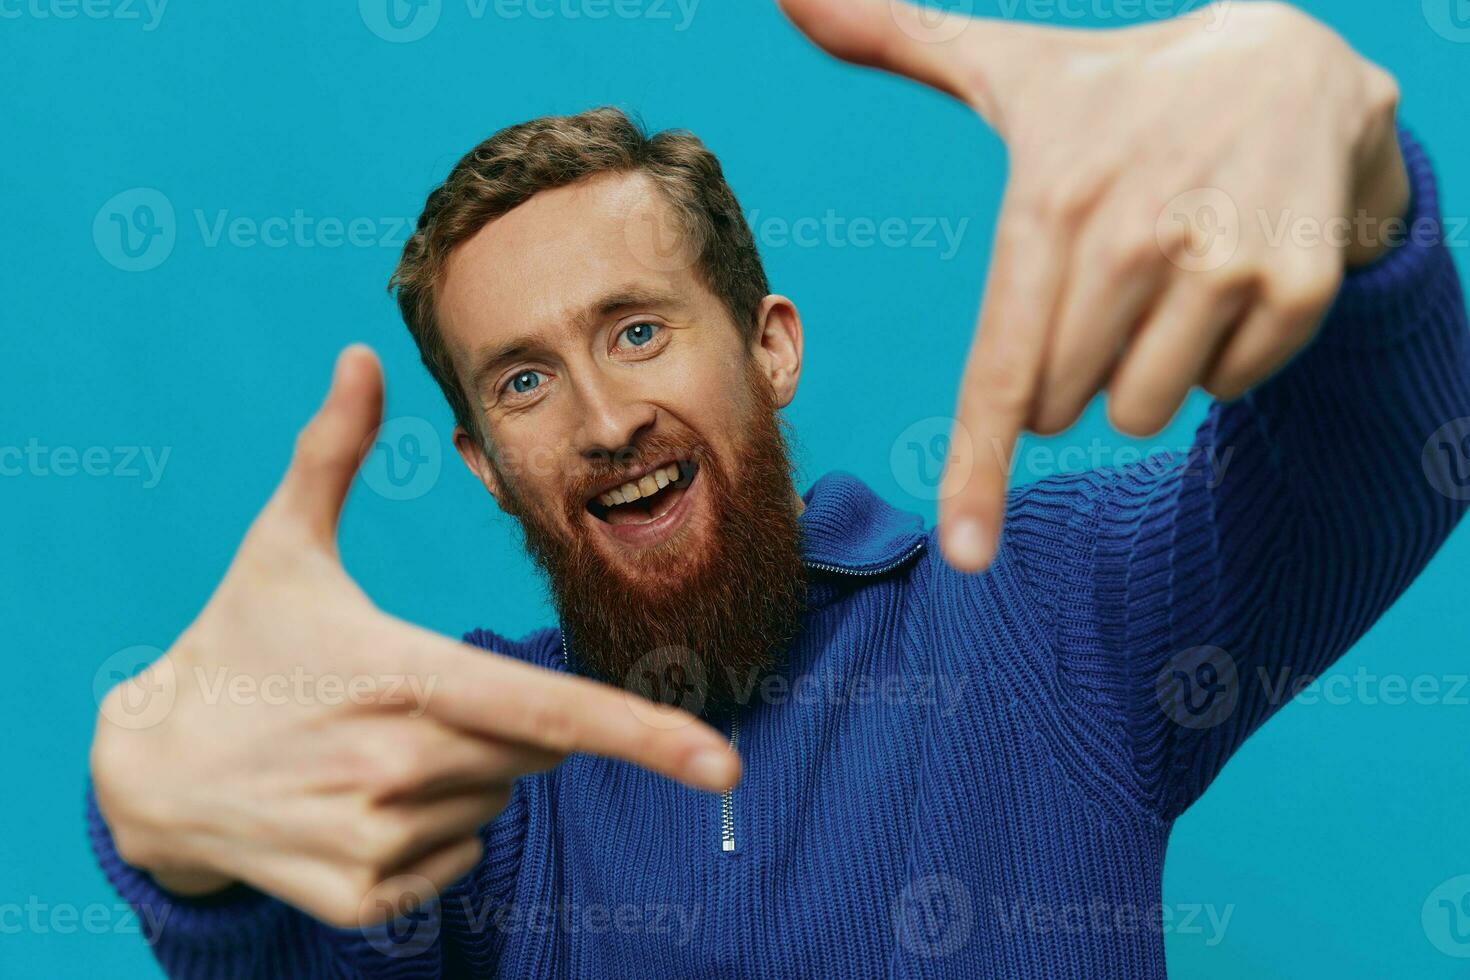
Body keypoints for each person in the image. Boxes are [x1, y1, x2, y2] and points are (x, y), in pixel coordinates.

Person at [86, 1, 1468, 976]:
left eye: (636, 329)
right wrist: (168, 828)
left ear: (768, 345)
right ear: (481, 466)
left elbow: (1371, 463)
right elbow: (289, 939)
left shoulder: (1055, 618)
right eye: (521, 381)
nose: (605, 416)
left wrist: (1349, 186)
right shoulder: (479, 777)